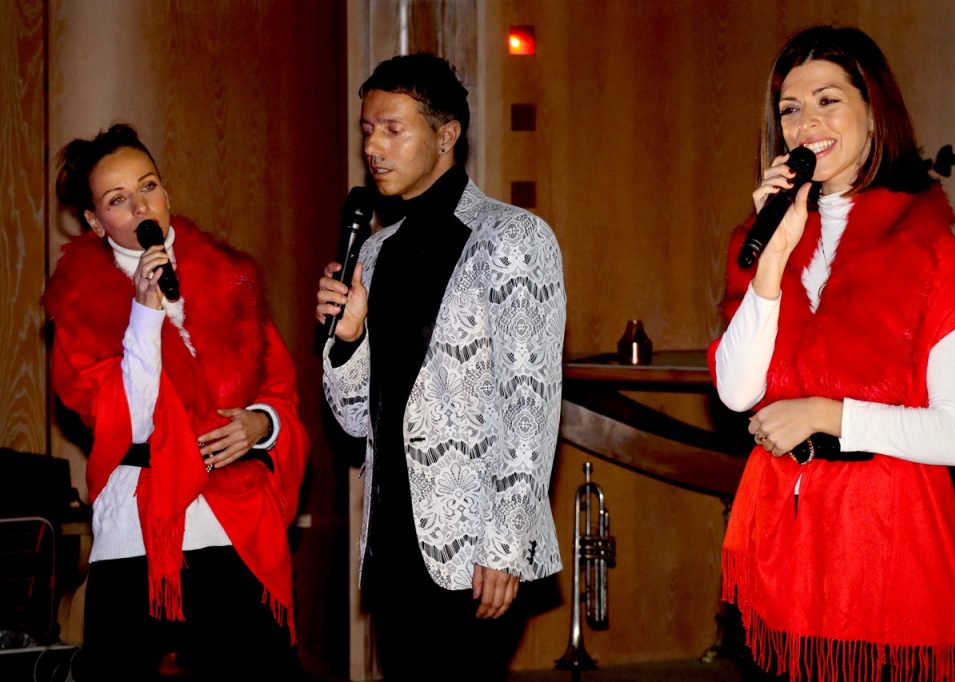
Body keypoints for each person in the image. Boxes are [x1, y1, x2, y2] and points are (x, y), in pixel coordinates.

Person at [708, 26, 955, 682]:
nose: (806, 123)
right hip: (788, 541)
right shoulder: (763, 238)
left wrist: (828, 414)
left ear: (873, 111)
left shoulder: (930, 251)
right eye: (790, 109)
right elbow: (737, 391)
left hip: (887, 539)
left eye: (828, 101)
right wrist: (772, 260)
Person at [316, 53, 565, 679]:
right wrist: (347, 341)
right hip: (393, 544)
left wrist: (504, 544)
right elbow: (353, 421)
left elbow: (529, 403)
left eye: (392, 129)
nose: (373, 146)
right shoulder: (375, 252)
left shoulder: (512, 237)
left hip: (476, 549)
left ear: (446, 135)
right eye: (367, 129)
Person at [43, 124, 309, 681]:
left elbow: (279, 390)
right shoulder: (78, 305)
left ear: (166, 191)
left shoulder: (230, 278)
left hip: (233, 522)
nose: (142, 207)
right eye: (118, 199)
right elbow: (127, 422)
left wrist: (261, 425)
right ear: (95, 222)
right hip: (138, 530)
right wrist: (144, 314)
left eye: (148, 186)